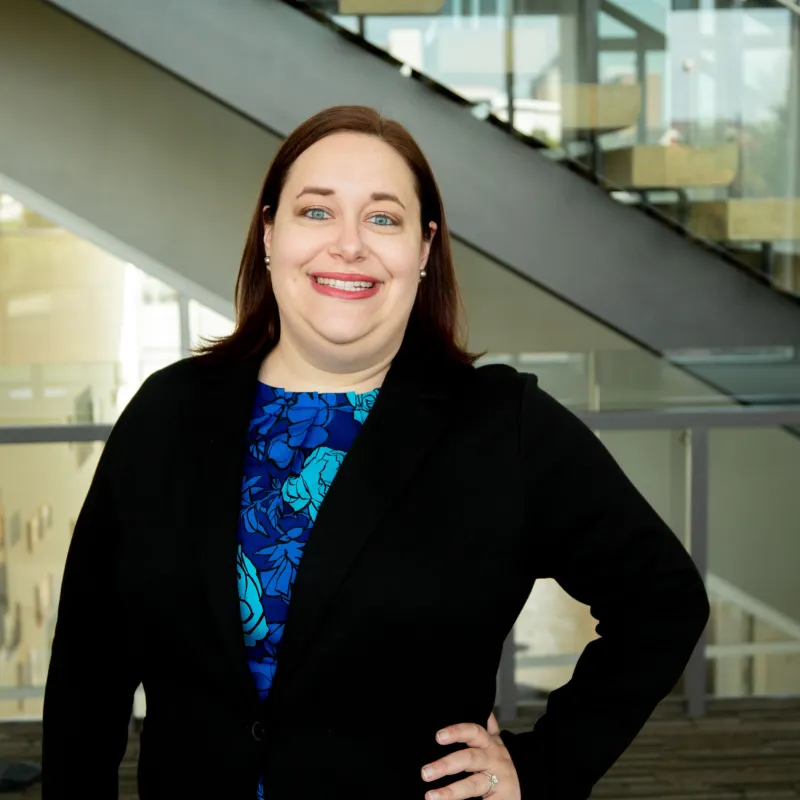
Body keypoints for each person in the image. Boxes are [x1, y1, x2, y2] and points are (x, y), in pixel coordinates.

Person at [41, 105, 710, 800]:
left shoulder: (502, 427)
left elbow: (662, 599)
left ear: (424, 250)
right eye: (316, 212)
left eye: (383, 219)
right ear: (269, 233)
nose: (349, 245)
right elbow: (89, 667)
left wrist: (546, 766)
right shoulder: (166, 413)